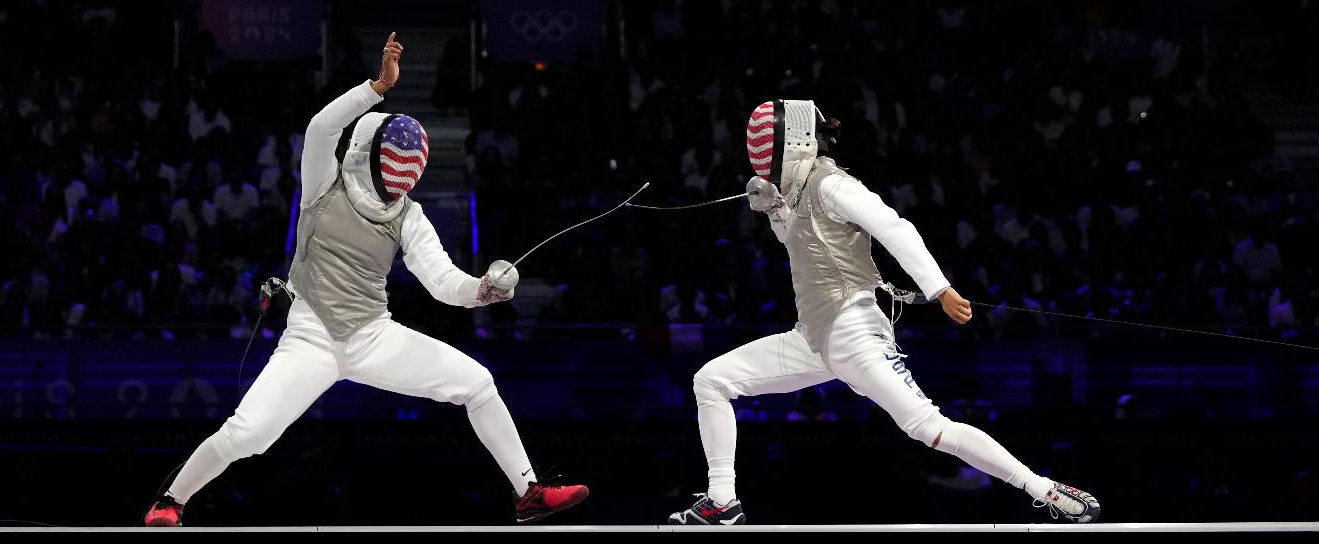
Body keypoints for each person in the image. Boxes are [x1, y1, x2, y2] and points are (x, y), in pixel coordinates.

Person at [144, 33, 588, 526]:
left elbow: (443, 283)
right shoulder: (324, 182)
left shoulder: (407, 215)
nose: (391, 188)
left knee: (478, 383)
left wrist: (483, 289)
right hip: (310, 337)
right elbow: (318, 128)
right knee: (249, 434)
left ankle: (528, 493)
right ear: (369, 151)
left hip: (373, 335)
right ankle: (170, 503)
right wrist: (376, 87)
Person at [667, 99, 1100, 525]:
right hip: (812, 339)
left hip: (854, 333)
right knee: (711, 381)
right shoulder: (796, 193)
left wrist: (939, 289)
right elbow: (804, 247)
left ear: (791, 141)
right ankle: (722, 501)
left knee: (930, 428)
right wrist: (775, 211)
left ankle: (1044, 489)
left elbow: (894, 227)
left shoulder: (830, 183)